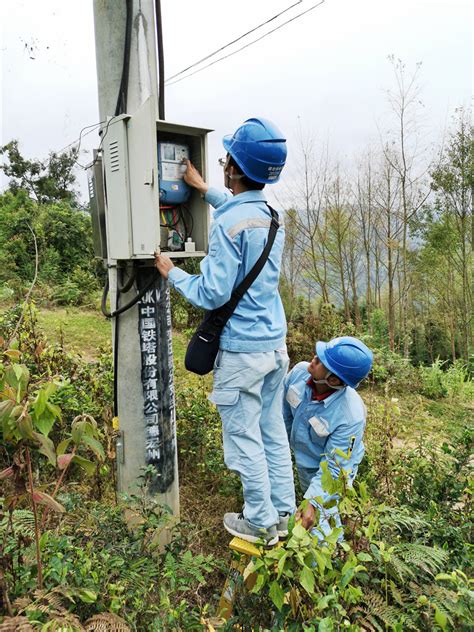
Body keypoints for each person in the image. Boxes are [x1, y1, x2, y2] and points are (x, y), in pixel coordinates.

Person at [155, 117, 296, 546]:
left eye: (226, 161)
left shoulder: (227, 225)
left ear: (234, 167)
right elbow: (241, 209)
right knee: (272, 431)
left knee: (243, 437)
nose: (223, 167)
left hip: (242, 354)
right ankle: (283, 514)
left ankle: (258, 522)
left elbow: (212, 293)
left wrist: (171, 271)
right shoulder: (272, 217)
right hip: (274, 348)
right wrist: (202, 188)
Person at [283, 336, 373, 538]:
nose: (314, 358)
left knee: (320, 518)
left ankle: (329, 557)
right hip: (302, 458)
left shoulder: (350, 416)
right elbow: (281, 416)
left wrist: (314, 503)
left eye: (321, 360)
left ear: (333, 380)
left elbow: (334, 467)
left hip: (329, 469)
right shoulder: (298, 373)